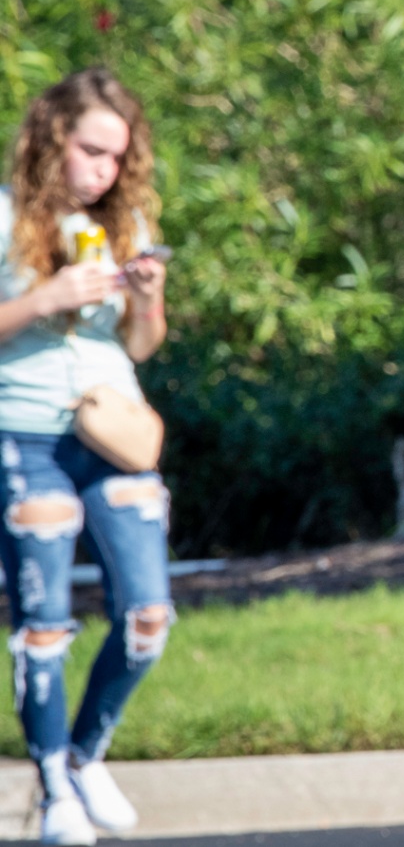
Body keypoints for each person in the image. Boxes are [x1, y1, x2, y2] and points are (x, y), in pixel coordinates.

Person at [0, 69, 171, 845]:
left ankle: (83, 753)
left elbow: (141, 344)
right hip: (27, 435)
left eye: (115, 157)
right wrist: (46, 298)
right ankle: (52, 788)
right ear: (50, 139)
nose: (103, 170)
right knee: (44, 622)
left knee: (147, 615)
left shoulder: (124, 221)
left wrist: (147, 297)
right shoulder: (5, 219)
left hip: (111, 430)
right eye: (90, 151)